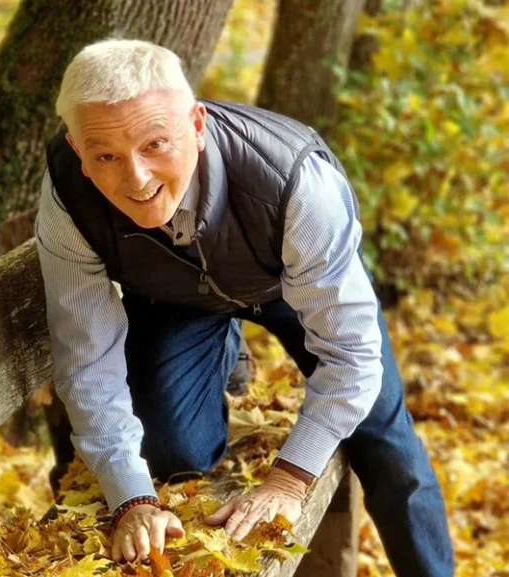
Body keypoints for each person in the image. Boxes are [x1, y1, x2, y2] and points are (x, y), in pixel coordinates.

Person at [34, 39, 454, 576]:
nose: (135, 178)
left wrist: (289, 479)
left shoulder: (297, 182)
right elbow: (86, 356)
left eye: (156, 144)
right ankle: (224, 347)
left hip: (290, 284)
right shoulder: (68, 200)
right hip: (174, 294)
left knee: (383, 437)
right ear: (77, 150)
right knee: (170, 453)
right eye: (106, 156)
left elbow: (351, 361)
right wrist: (133, 500)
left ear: (198, 123)